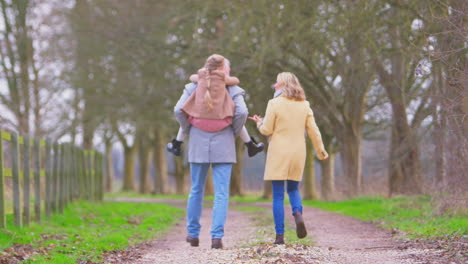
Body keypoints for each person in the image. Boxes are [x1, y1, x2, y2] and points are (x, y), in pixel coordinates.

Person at [173, 54, 249, 249]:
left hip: (198, 140)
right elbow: (242, 112)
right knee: (221, 192)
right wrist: (233, 130)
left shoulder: (192, 87)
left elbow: (178, 110)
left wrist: (188, 128)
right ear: (225, 70)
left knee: (196, 189)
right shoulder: (232, 88)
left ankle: (192, 234)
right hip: (223, 141)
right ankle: (216, 237)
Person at [249, 72, 329, 245]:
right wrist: (320, 150)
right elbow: (313, 130)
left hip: (279, 152)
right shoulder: (304, 105)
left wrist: (258, 123)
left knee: (278, 195)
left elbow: (267, 130)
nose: (274, 86)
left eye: (276, 83)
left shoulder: (274, 103)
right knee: (293, 190)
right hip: (298, 152)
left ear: (282, 85)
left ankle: (279, 237)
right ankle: (298, 214)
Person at [167, 54, 264, 157]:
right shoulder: (223, 78)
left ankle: (177, 143)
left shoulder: (201, 76)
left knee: (187, 112)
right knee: (238, 115)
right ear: (223, 68)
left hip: (198, 121)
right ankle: (249, 144)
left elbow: (192, 78)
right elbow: (236, 81)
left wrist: (203, 77)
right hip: (222, 122)